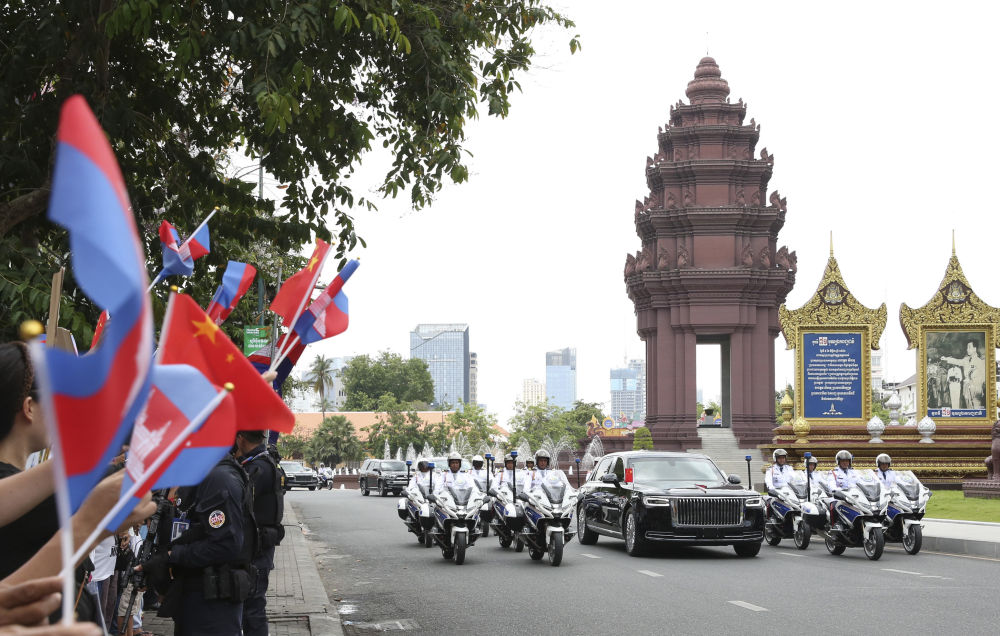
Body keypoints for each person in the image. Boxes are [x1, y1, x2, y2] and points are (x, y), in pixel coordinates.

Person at [140, 449, 257, 636]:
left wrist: (173, 555)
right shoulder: (199, 474)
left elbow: (226, 544)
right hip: (193, 593)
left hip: (212, 600)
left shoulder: (219, 478)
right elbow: (195, 528)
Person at [234, 430, 284, 636]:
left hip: (257, 547)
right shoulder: (264, 462)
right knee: (251, 605)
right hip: (260, 543)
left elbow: (240, 504)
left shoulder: (257, 467)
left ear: (241, 438)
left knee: (253, 608)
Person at [941, 341, 986, 409]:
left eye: (969, 347)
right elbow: (957, 361)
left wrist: (973, 383)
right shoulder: (966, 360)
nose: (967, 349)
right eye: (967, 347)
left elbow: (983, 377)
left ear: (975, 349)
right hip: (966, 389)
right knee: (968, 408)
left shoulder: (980, 361)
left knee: (976, 408)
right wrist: (946, 359)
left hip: (976, 390)